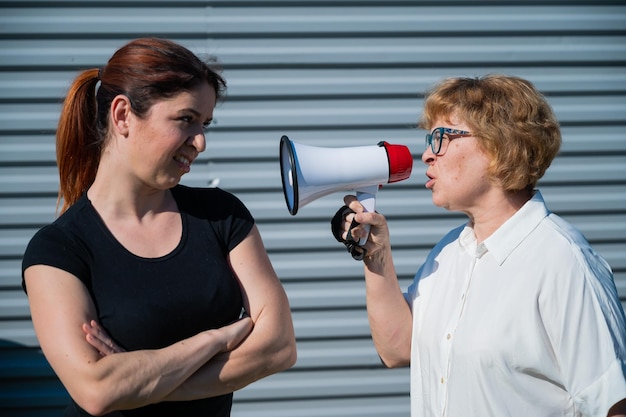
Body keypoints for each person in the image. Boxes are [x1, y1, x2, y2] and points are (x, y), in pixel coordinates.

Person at [21, 37, 297, 417]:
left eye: (205, 124)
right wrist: (214, 339)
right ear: (122, 116)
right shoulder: (58, 250)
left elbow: (279, 346)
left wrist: (143, 380)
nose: (200, 141)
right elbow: (97, 390)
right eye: (186, 119)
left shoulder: (222, 216)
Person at [332, 74, 626, 416]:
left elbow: (612, 406)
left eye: (441, 137)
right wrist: (376, 255)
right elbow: (397, 348)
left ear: (498, 146)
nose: (427, 154)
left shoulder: (563, 262)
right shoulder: (448, 253)